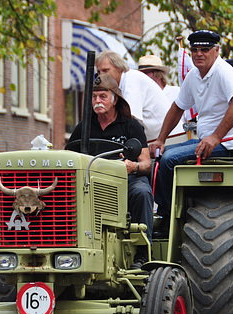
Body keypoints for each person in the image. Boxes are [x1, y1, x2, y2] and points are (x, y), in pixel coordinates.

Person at [149, 30, 233, 234]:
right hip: (207, 141)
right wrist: (160, 139)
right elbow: (177, 107)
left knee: (169, 160)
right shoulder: (194, 75)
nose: (199, 54)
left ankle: (170, 220)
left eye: (205, 49)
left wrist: (216, 136)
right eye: (194, 50)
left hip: (229, 144)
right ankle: (164, 213)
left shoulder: (223, 70)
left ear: (216, 51)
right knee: (159, 158)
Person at [70, 73, 153, 268]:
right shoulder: (83, 128)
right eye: (94, 97)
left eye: (103, 96)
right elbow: (69, 157)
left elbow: (147, 164)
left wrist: (134, 166)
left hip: (125, 180)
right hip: (90, 182)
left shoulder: (131, 125)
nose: (98, 101)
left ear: (115, 99)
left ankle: (143, 254)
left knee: (141, 192)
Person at [96, 51, 174, 140]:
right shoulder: (120, 83)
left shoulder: (131, 80)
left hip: (170, 139)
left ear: (119, 68)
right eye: (98, 72)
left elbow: (131, 120)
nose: (101, 75)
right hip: (157, 139)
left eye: (105, 70)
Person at [138, 54, 191, 126]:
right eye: (140, 73)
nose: (143, 76)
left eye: (147, 72)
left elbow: (189, 116)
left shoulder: (177, 92)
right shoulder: (140, 99)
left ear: (159, 74)